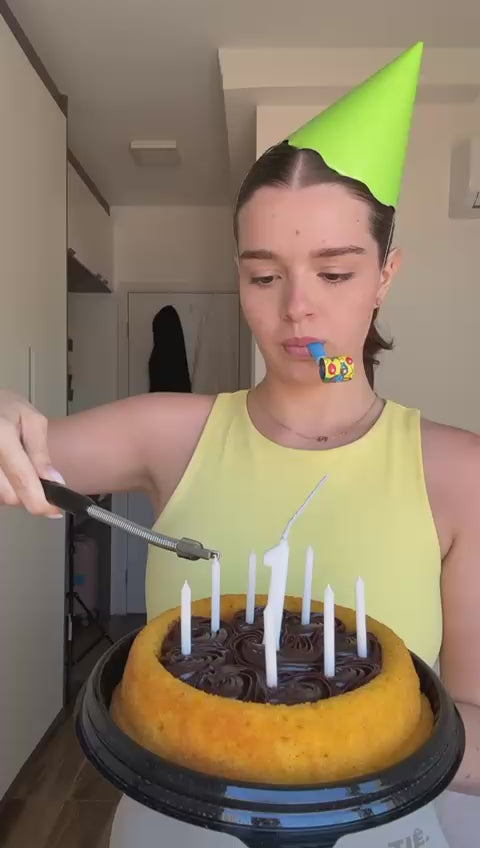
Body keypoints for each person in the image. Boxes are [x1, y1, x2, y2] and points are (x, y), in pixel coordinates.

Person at [1, 42, 479, 847]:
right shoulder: (167, 430)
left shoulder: (460, 473)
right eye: (264, 276)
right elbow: (24, 458)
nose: (297, 309)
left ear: (385, 276)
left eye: (334, 274)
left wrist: (320, 744)